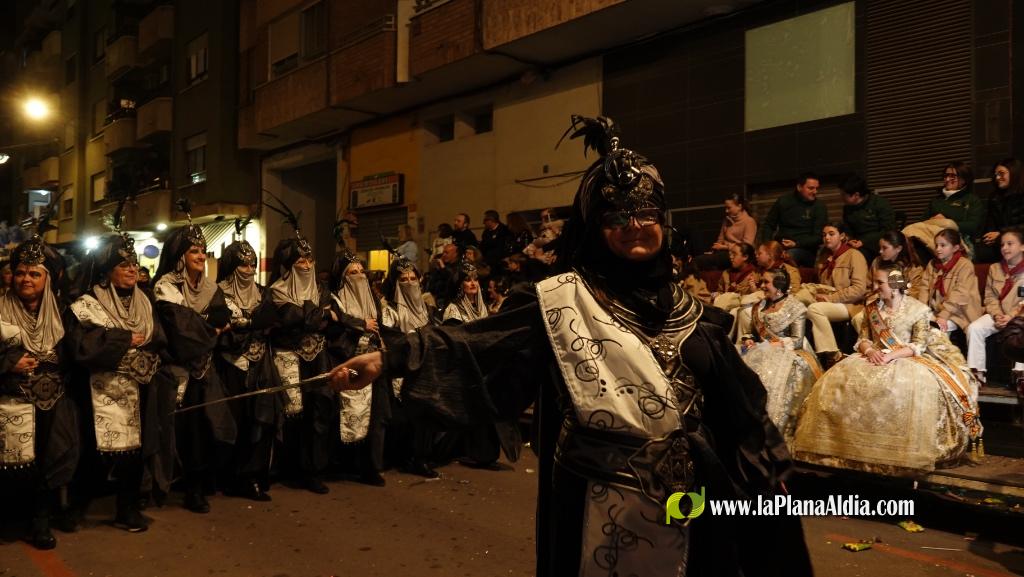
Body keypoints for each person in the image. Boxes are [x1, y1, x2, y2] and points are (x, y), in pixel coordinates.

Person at [329, 115, 811, 577]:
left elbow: (741, 411)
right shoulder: (560, 300)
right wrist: (388, 358)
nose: (634, 224)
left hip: (690, 504)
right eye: (617, 215)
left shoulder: (695, 314)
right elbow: (477, 345)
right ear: (594, 227)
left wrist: (767, 475)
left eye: (645, 213)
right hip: (598, 510)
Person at [793, 264, 982, 475]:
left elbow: (918, 345)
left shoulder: (918, 310)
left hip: (906, 359)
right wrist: (869, 350)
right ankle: (844, 449)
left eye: (879, 282)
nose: (874, 287)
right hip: (872, 356)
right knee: (838, 381)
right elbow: (863, 338)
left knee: (897, 389)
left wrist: (891, 355)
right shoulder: (872, 307)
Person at [66, 213, 175, 532]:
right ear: (106, 271)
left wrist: (149, 355)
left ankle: (127, 508)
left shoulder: (146, 301)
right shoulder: (86, 304)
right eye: (124, 264)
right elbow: (80, 346)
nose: (132, 270)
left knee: (136, 452)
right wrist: (123, 340)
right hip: (98, 390)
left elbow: (160, 339)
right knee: (92, 451)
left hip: (140, 387)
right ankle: (76, 506)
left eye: (134, 264)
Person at [0, 224, 79, 549]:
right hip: (10, 400)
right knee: (13, 464)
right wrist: (9, 362)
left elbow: (80, 352)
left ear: (48, 278)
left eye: (35, 274)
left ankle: (41, 519)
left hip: (54, 401)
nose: (26, 279)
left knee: (50, 458)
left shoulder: (65, 313)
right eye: (20, 273)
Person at [152, 202, 234, 514]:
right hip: (175, 373)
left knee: (208, 427)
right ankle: (178, 486)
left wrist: (205, 325)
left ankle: (200, 484)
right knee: (180, 432)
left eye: (202, 251)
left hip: (205, 371)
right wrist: (209, 328)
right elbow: (181, 331)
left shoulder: (211, 288)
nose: (201, 256)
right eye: (193, 251)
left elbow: (219, 318)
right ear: (180, 257)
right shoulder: (165, 287)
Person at [264, 204, 336, 495]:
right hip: (287, 358)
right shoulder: (276, 291)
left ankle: (312, 471)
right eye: (300, 260)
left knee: (318, 415)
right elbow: (296, 319)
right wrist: (319, 314)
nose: (306, 265)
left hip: (318, 358)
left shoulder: (323, 290)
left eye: (309, 259)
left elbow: (322, 321)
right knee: (292, 415)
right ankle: (287, 468)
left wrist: (317, 316)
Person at [214, 220, 280, 501]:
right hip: (228, 368)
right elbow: (219, 331)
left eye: (252, 264)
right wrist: (249, 325)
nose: (249, 270)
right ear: (231, 266)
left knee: (260, 421)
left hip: (261, 366)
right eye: (243, 265)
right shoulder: (216, 293)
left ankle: (251, 476)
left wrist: (246, 325)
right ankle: (225, 475)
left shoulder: (264, 293)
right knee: (232, 421)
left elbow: (272, 322)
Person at [738, 268, 821, 445]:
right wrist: (748, 340)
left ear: (779, 286)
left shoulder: (796, 308)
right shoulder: (759, 306)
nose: (762, 285)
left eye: (766, 282)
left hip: (789, 353)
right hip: (760, 350)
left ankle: (771, 433)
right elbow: (751, 332)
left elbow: (797, 340)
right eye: (762, 282)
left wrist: (773, 345)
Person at [330, 252, 389, 487]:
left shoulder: (373, 299)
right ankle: (345, 464)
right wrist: (360, 326)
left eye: (361, 271)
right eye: (352, 273)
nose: (359, 276)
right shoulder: (336, 300)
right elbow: (334, 331)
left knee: (376, 417)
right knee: (347, 414)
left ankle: (371, 467)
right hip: (349, 361)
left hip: (373, 364)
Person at [378, 255, 438, 478]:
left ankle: (421, 458)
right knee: (404, 418)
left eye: (413, 278)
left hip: (425, 368)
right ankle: (403, 457)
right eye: (403, 279)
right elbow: (392, 340)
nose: (410, 283)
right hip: (402, 371)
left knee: (425, 416)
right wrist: (414, 341)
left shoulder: (427, 309)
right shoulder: (389, 310)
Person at [795, 222, 869, 368]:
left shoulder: (854, 255)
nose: (827, 238)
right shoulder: (824, 257)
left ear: (842, 236)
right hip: (828, 301)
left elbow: (859, 289)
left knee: (815, 309)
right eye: (824, 235)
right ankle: (799, 350)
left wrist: (831, 298)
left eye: (831, 234)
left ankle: (833, 355)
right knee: (798, 302)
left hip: (850, 304)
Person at [967, 228, 1024, 386]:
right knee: (974, 328)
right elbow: (990, 297)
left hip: (1019, 316)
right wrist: (997, 315)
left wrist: (1011, 317)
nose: (1005, 248)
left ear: (1022, 246)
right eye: (1002, 245)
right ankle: (977, 374)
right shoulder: (995, 268)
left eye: (1010, 244)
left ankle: (1020, 376)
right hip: (999, 315)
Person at [903, 161, 984, 258]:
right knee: (910, 233)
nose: (947, 179)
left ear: (963, 179)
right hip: (931, 240)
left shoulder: (972, 200)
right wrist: (934, 221)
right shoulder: (936, 201)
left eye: (952, 176)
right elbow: (922, 222)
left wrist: (946, 223)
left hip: (958, 241)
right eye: (946, 176)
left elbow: (973, 226)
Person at [915, 229, 982, 343]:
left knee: (937, 329)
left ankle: (944, 352)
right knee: (916, 322)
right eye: (936, 245)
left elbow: (960, 294)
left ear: (955, 248)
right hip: (938, 310)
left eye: (943, 245)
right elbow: (924, 288)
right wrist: (922, 310)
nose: (938, 249)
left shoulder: (965, 265)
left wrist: (944, 315)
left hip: (959, 312)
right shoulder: (932, 264)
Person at [734, 241, 802, 340]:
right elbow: (740, 289)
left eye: (759, 253)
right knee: (736, 311)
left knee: (745, 312)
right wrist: (752, 288)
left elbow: (793, 292)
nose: (756, 256)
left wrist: (763, 294)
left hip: (779, 307)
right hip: (760, 304)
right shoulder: (758, 271)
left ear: (770, 255)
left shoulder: (790, 271)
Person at [759, 172, 827, 267]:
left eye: (817, 188)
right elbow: (769, 225)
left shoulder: (819, 207)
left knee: (790, 255)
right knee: (760, 257)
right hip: (780, 247)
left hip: (805, 249)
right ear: (799, 187)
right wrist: (767, 246)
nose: (815, 192)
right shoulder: (784, 201)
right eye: (811, 188)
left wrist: (796, 244)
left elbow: (819, 237)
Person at [976, 159, 1024, 263]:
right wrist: (988, 237)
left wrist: (1001, 234)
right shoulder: (995, 197)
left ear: (1014, 173)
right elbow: (989, 224)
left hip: (1019, 241)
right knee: (982, 253)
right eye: (996, 174)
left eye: (1001, 173)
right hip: (1000, 243)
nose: (997, 178)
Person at [840, 173, 895, 263]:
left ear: (856, 195)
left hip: (877, 244)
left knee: (855, 256)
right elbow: (848, 230)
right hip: (857, 244)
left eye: (844, 195)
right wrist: (849, 239)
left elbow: (888, 229)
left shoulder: (879, 203)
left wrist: (864, 241)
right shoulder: (847, 208)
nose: (841, 197)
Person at [695, 193, 756, 270]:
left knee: (700, 260)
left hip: (736, 254)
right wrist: (713, 251)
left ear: (739, 206)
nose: (726, 211)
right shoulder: (727, 220)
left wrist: (725, 247)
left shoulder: (749, 221)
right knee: (700, 258)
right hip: (722, 252)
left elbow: (746, 246)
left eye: (729, 208)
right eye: (725, 208)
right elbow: (720, 239)